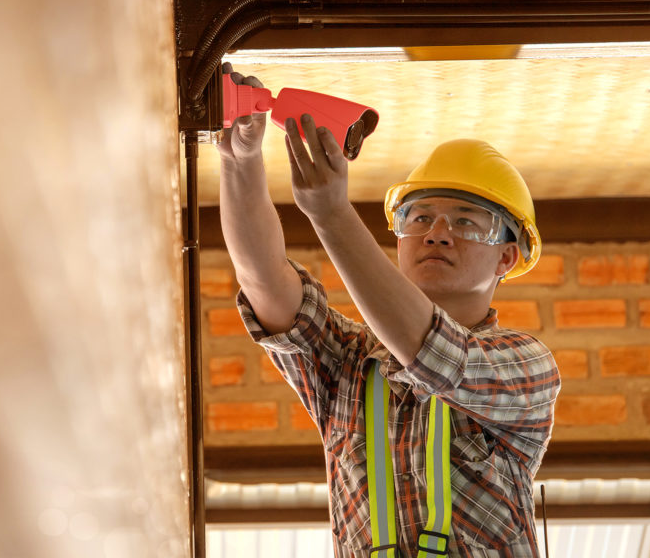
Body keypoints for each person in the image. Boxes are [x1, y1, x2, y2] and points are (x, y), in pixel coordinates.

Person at [218, 63, 561, 557]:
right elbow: (263, 281)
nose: (436, 232)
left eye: (466, 222)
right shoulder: (349, 363)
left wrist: (332, 214)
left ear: (507, 256)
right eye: (418, 217)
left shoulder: (526, 367)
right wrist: (239, 161)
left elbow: (437, 355)